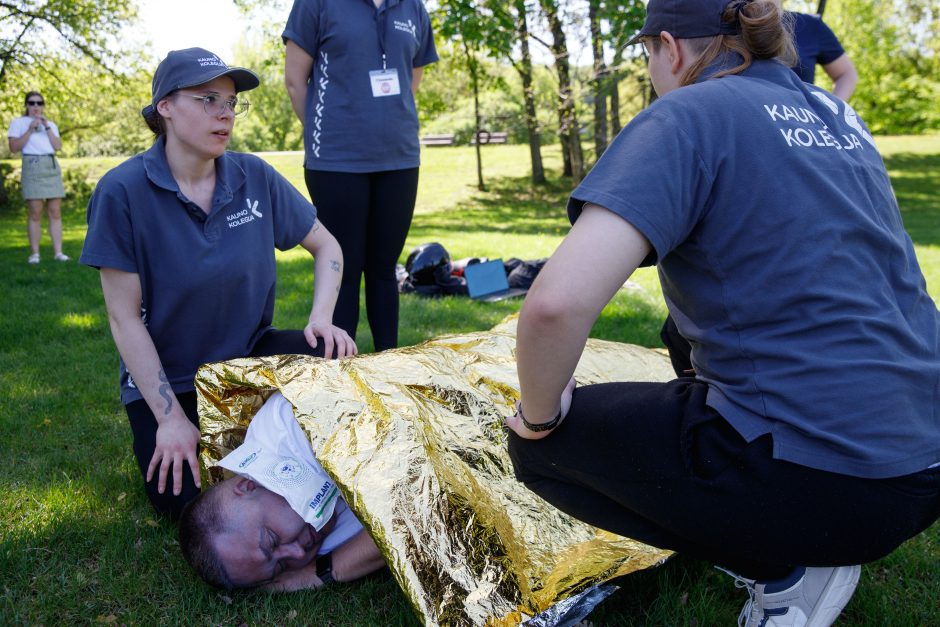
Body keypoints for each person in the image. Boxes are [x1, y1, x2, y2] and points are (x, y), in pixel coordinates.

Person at [506, 1, 940, 626]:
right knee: (675, 329)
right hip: (922, 463)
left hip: (837, 483)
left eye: (648, 54)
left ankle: (784, 560)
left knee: (542, 450)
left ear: (670, 48)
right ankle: (782, 524)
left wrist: (538, 417)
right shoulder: (839, 115)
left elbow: (552, 306)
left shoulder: (687, 113)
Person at [80, 48, 355, 520]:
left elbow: (329, 247)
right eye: (208, 99)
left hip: (248, 359)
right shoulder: (121, 191)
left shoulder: (255, 177)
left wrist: (321, 320)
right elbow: (123, 318)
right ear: (164, 106)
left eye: (230, 102)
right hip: (172, 379)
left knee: (337, 362)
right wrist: (169, 418)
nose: (225, 112)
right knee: (185, 503)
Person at [282, 0, 438, 351]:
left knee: (384, 269)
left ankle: (389, 365)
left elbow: (412, 76)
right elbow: (295, 81)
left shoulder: (413, 7)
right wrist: (330, 132)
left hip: (399, 158)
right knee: (345, 269)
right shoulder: (316, 4)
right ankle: (342, 376)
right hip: (336, 161)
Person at [179, 392, 384, 590]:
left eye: (272, 540)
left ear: (247, 485)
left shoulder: (296, 423)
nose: (296, 553)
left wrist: (322, 571)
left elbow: (409, 512)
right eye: (281, 566)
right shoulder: (314, 540)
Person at [7, 91, 68, 264]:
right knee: (35, 212)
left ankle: (58, 253)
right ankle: (35, 254)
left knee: (55, 212)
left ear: (43, 105)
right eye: (32, 103)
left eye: (39, 103)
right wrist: (30, 129)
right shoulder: (18, 123)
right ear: (26, 105)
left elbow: (57, 146)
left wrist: (46, 126)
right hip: (32, 165)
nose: (36, 107)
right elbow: (13, 147)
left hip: (51, 165)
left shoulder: (51, 124)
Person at [782, 2, 857, 100]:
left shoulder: (810, 25)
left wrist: (831, 111)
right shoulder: (754, 28)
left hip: (796, 112)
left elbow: (846, 73)